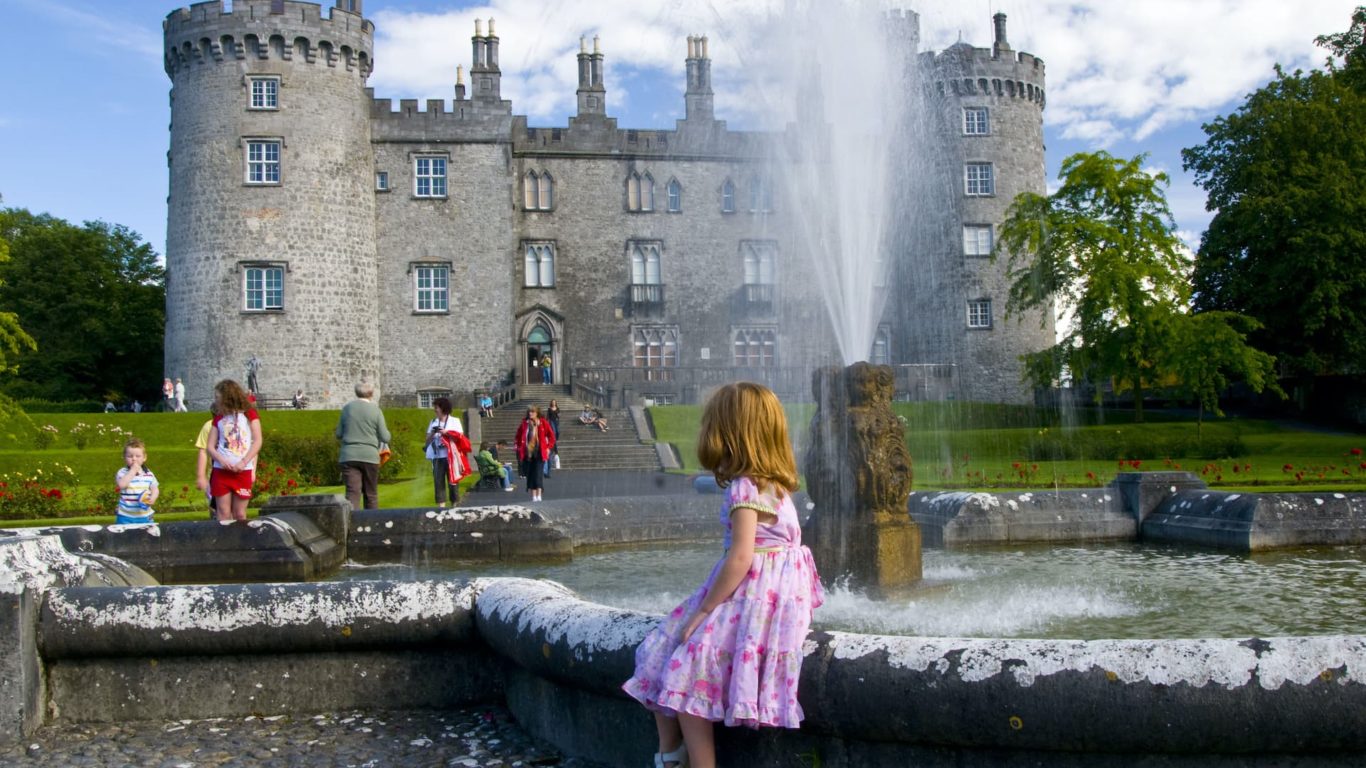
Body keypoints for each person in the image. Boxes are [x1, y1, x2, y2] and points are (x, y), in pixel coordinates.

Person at [622, 382, 824, 768]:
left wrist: (705, 610)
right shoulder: (777, 486)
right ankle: (671, 752)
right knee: (665, 649)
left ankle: (684, 758)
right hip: (774, 600)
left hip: (752, 596)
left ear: (728, 434)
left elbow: (741, 558)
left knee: (681, 667)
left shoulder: (744, 488)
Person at [207, 379, 262, 523]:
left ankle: (242, 543)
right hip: (222, 471)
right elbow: (210, 446)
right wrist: (221, 460)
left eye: (218, 397)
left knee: (239, 514)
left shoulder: (249, 414)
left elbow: (257, 441)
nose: (216, 401)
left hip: (242, 471)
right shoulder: (219, 417)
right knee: (223, 512)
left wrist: (244, 462)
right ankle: (224, 543)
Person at [335, 382, 391, 511]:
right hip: (369, 456)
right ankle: (371, 525)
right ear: (371, 394)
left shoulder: (347, 409)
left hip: (349, 455)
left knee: (352, 493)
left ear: (356, 392)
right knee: (371, 494)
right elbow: (385, 437)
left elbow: (338, 434)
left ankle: (351, 525)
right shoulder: (375, 411)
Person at [424, 397, 471, 508]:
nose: (435, 410)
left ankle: (454, 504)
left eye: (436, 407)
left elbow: (460, 438)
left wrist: (446, 432)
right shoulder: (433, 422)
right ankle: (441, 507)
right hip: (437, 456)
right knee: (438, 481)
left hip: (451, 456)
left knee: (453, 481)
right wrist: (432, 433)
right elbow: (427, 440)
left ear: (443, 408)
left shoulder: (454, 421)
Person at [114, 437, 160, 525]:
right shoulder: (122, 472)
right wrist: (133, 471)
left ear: (144, 458)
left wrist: (153, 497)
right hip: (125, 516)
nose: (134, 459)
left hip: (145, 515)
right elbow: (121, 485)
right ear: (124, 457)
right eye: (130, 456)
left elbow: (155, 488)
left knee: (147, 537)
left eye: (138, 456)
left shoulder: (148, 473)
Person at [514, 406, 554, 503]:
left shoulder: (543, 423)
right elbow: (518, 436)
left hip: (539, 452)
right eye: (529, 412)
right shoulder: (525, 424)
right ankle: (533, 496)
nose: (530, 414)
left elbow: (551, 436)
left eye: (532, 412)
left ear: (537, 413)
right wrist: (518, 446)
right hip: (528, 453)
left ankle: (539, 495)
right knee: (530, 474)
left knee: (538, 473)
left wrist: (548, 447)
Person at [193, 403, 222, 519]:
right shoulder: (209, 426)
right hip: (214, 472)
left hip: (231, 470)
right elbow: (203, 451)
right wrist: (201, 476)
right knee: (215, 507)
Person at [545, 399, 561, 476]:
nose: (554, 403)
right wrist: (545, 422)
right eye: (553, 402)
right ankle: (554, 437)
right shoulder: (549, 409)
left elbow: (559, 415)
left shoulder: (557, 409)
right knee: (554, 431)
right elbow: (547, 416)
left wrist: (558, 414)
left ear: (556, 403)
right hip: (551, 421)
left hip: (556, 421)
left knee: (557, 431)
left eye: (555, 402)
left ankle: (555, 437)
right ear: (551, 403)